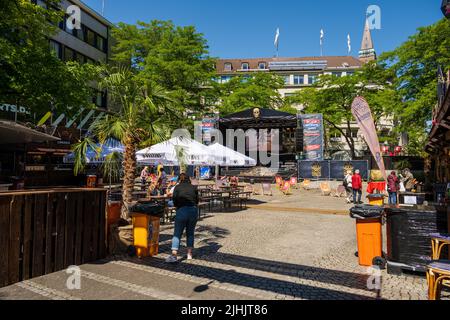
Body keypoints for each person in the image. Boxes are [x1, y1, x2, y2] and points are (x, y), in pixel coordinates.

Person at [166, 174, 199, 263]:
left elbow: (174, 200)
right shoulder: (194, 187)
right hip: (193, 210)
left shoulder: (177, 187)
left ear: (179, 180)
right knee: (190, 233)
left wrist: (178, 206)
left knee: (177, 233)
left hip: (182, 210)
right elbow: (197, 201)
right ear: (189, 179)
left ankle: (174, 255)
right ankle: (189, 254)